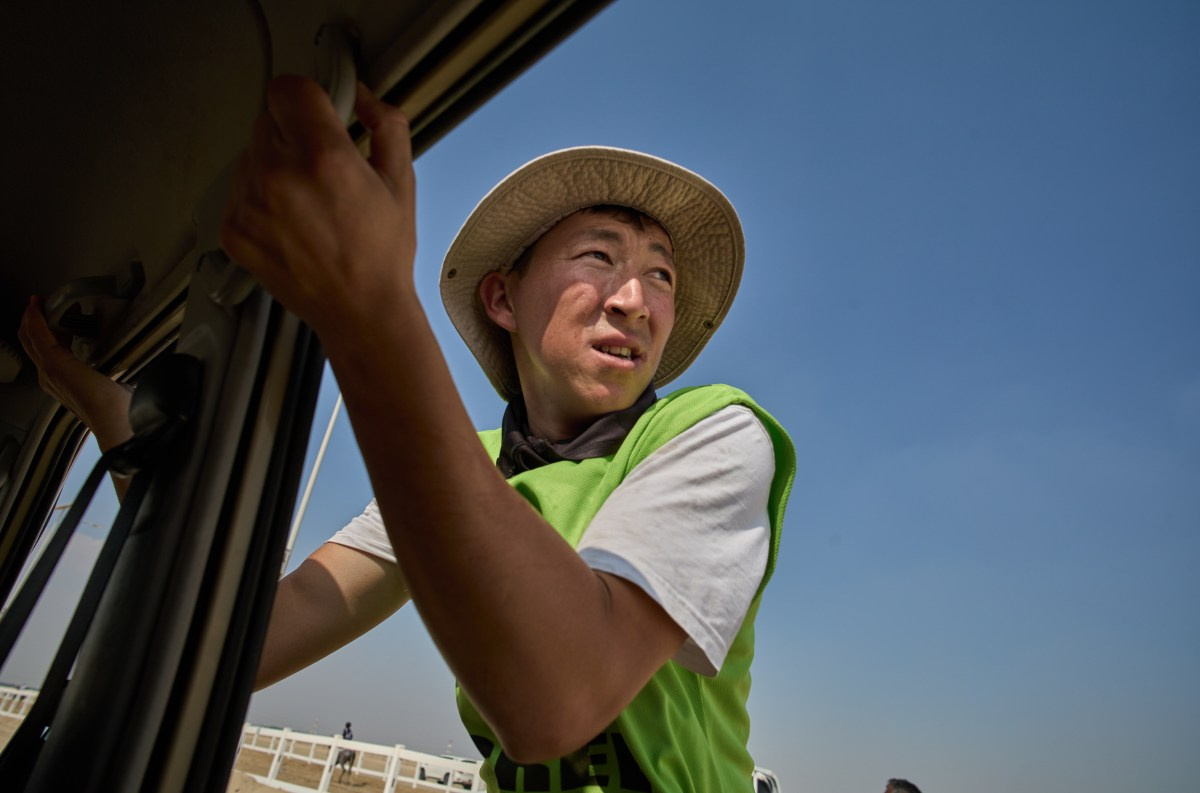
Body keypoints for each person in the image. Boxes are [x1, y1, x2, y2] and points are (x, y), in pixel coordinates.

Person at [20, 76, 795, 792]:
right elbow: (238, 644)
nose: (637, 298)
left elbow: (557, 699)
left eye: (661, 274)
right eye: (600, 255)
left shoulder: (715, 434)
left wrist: (371, 311)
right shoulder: (465, 475)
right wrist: (123, 433)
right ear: (502, 296)